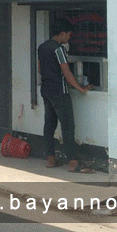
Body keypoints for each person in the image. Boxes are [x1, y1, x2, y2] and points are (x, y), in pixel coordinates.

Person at [38, 18, 94, 173]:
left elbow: (39, 69)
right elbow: (66, 72)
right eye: (69, 35)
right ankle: (73, 162)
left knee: (49, 125)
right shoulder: (59, 50)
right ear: (62, 34)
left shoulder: (42, 47)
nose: (69, 38)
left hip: (46, 91)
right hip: (59, 92)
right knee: (67, 126)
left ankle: (51, 159)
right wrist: (81, 88)